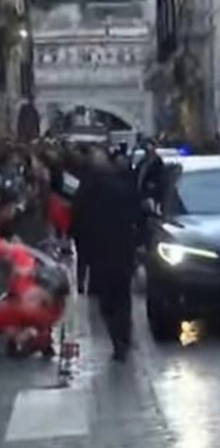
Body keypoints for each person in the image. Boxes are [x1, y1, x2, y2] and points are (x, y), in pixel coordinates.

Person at [74, 149, 144, 361]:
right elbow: (137, 215)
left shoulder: (86, 191)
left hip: (99, 254)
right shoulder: (123, 187)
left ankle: (117, 338)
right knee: (122, 296)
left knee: (107, 299)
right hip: (122, 251)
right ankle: (124, 334)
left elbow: (79, 224)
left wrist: (83, 258)